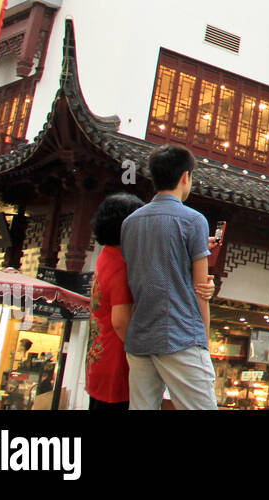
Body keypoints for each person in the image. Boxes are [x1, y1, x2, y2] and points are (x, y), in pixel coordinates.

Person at [121, 146, 218, 410]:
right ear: (186, 177)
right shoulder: (194, 221)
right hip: (181, 335)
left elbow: (149, 266)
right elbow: (201, 289)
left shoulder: (130, 223)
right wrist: (204, 342)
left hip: (140, 337)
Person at [85, 193, 144, 411]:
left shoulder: (106, 256)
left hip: (101, 359)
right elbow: (121, 322)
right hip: (118, 366)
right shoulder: (122, 264)